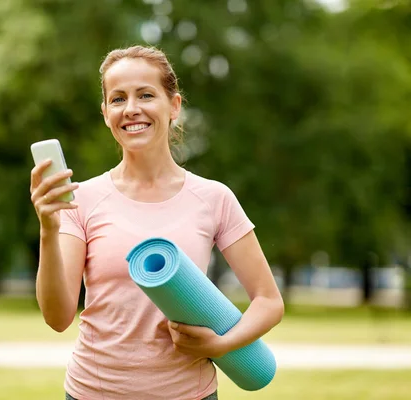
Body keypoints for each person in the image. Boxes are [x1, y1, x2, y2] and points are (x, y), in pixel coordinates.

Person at [29, 45, 284, 400]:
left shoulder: (213, 198)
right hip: (93, 393)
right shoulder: (80, 200)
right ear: (105, 113)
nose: (131, 109)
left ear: (174, 106)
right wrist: (48, 229)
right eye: (117, 99)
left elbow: (269, 302)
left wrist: (222, 344)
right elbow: (57, 318)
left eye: (145, 95)